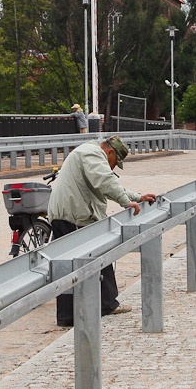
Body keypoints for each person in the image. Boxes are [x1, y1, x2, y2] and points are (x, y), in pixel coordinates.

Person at [47, 135, 156, 327]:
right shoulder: (92, 153)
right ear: (110, 152)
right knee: (72, 265)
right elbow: (105, 181)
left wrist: (137, 197)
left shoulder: (88, 152)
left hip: (73, 215)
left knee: (91, 258)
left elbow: (110, 184)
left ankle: (101, 305)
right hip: (73, 217)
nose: (113, 167)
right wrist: (125, 201)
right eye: (116, 163)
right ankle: (74, 315)